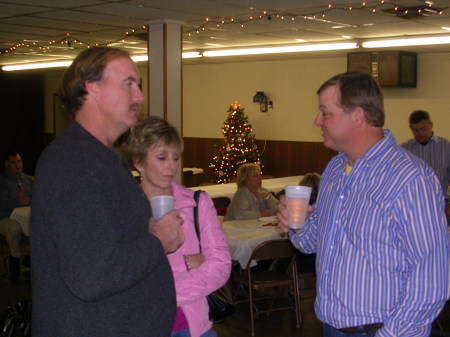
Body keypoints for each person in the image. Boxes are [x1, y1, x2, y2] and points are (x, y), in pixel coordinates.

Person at [277, 72, 449, 337]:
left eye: (325, 113)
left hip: (383, 330)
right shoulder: (335, 169)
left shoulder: (410, 178)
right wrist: (296, 225)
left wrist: (391, 334)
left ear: (357, 116)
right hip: (332, 326)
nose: (316, 121)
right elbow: (312, 243)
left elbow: (433, 275)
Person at [31, 47, 184, 337]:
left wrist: (146, 231)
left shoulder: (104, 158)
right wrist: (157, 241)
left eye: (138, 85)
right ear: (92, 88)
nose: (139, 95)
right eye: (128, 84)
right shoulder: (72, 163)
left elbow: (105, 239)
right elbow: (92, 275)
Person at [123, 116, 232, 337]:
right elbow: (122, 270)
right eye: (162, 157)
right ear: (138, 162)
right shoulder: (123, 208)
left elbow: (220, 265)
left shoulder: (197, 202)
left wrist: (163, 294)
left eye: (175, 157)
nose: (171, 166)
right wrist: (186, 263)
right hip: (142, 326)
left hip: (195, 327)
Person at [401, 110, 450, 223]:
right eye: (415, 130)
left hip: (441, 206)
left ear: (431, 125)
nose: (419, 133)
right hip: (414, 208)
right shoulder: (405, 150)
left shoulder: (446, 147)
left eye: (423, 128)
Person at [0, 151, 32, 278]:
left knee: (40, 226)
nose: (17, 165)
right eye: (13, 162)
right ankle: (15, 261)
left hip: (25, 215)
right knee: (14, 228)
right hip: (5, 216)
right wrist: (16, 200)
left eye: (19, 161)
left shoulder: (28, 179)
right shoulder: (2, 181)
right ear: (7, 164)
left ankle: (30, 259)